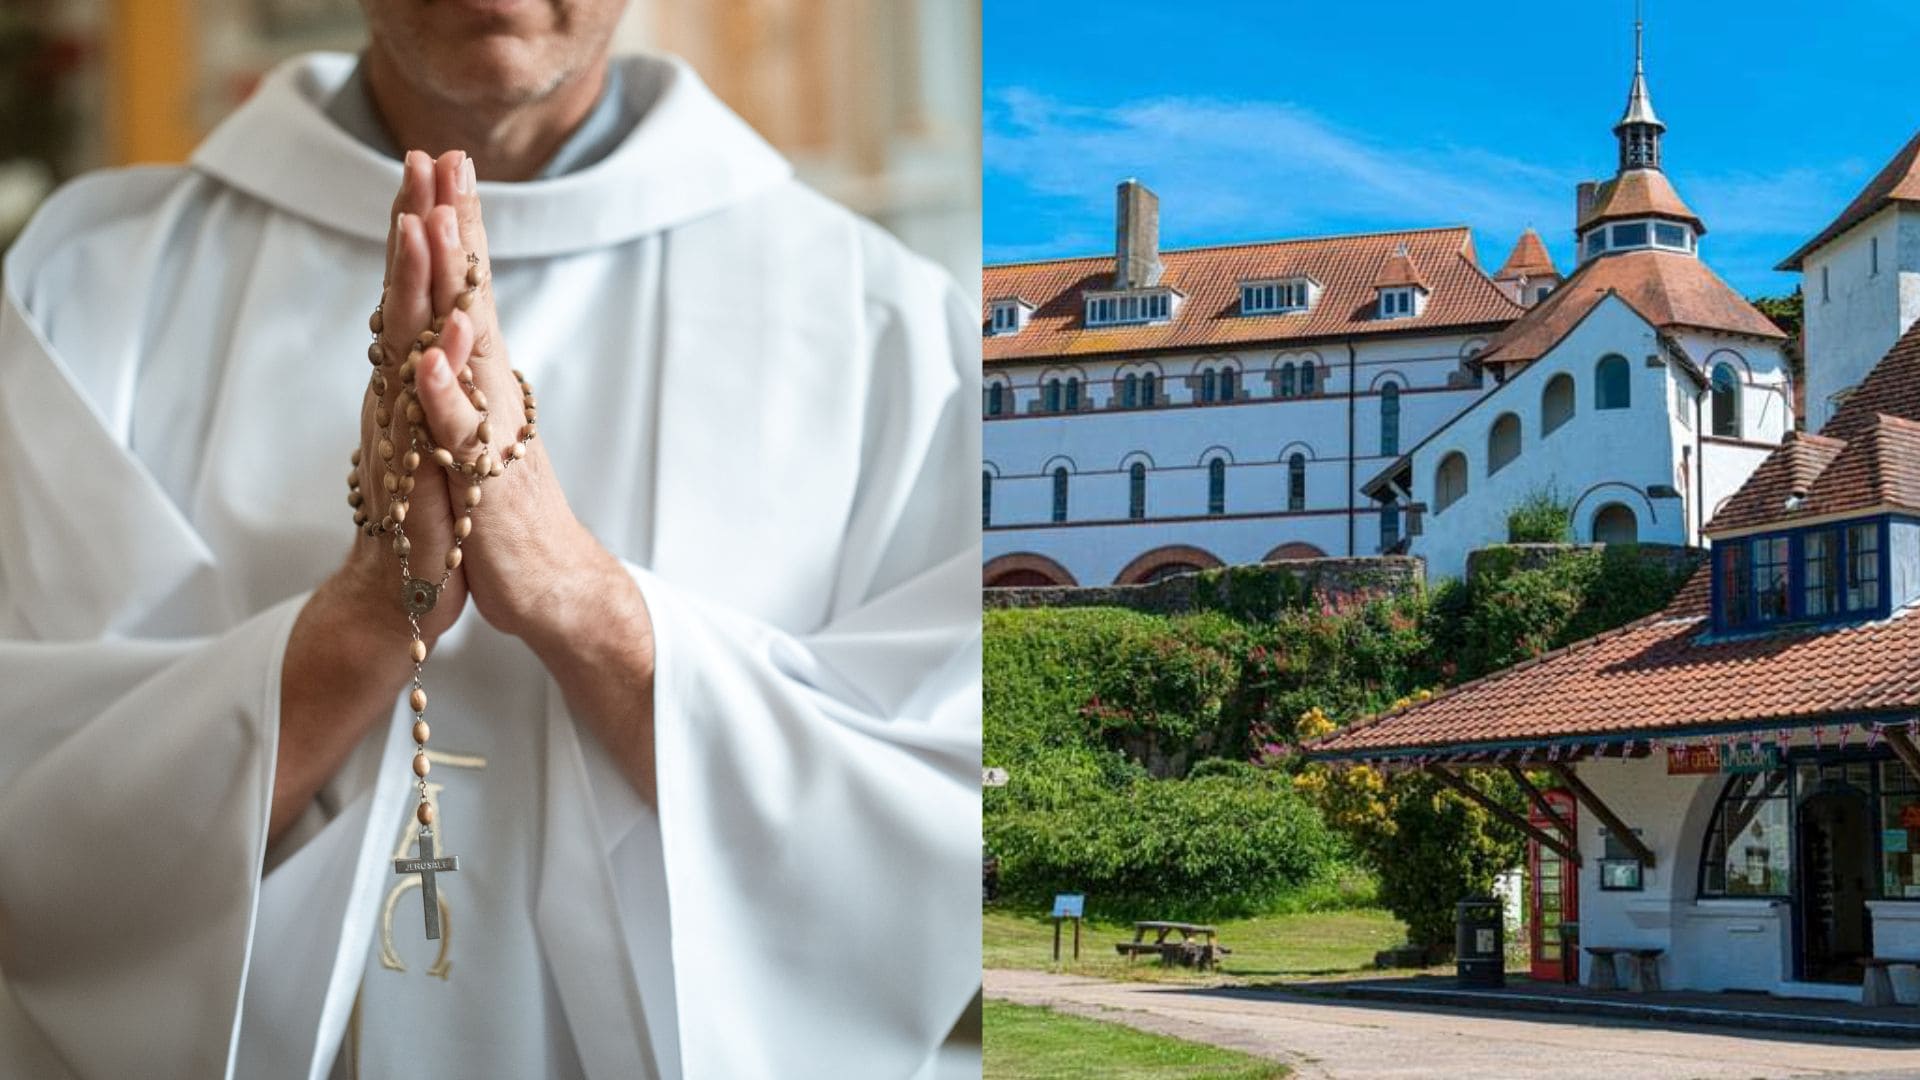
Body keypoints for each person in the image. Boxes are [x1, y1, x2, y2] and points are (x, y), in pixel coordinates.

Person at [0, 1, 981, 1076]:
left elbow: (940, 848)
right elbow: (36, 823)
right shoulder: (87, 289)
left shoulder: (888, 326)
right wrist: (363, 622)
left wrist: (584, 605)